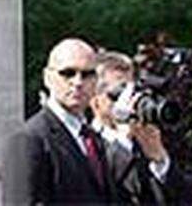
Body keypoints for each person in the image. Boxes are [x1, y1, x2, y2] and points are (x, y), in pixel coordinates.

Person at [9, 38, 119, 204]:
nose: (78, 82)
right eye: (67, 73)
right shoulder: (29, 139)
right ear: (47, 78)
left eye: (87, 74)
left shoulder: (93, 139)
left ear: (96, 80)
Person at [90, 51, 184, 205]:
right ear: (96, 101)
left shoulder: (144, 139)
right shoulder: (85, 144)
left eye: (131, 92)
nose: (127, 101)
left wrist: (161, 162)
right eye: (118, 94)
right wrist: (123, 140)